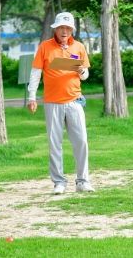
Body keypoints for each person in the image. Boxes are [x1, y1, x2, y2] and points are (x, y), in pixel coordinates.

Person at [27, 12, 93, 195]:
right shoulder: (45, 47)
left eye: (68, 28)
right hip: (52, 102)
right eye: (61, 28)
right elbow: (35, 73)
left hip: (74, 101)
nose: (64, 31)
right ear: (55, 29)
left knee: (81, 141)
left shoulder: (79, 47)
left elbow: (85, 76)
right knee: (55, 143)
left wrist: (81, 71)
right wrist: (32, 97)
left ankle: (83, 181)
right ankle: (59, 182)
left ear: (72, 30)